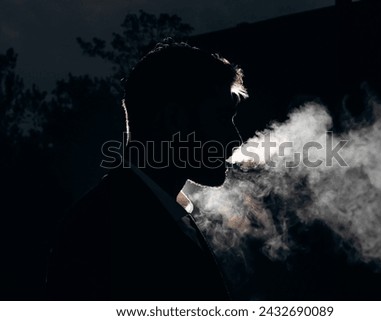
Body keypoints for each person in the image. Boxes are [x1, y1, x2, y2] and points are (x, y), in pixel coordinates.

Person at [47, 41, 248, 300]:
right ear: (174, 120)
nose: (236, 138)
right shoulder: (98, 230)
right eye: (222, 117)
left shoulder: (161, 214)